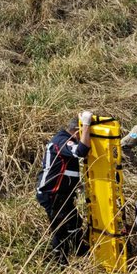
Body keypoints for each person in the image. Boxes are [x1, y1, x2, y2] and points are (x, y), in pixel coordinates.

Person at [36, 112, 93, 265]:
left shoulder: (64, 140)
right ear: (77, 130)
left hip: (63, 194)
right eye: (83, 133)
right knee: (60, 229)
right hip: (53, 194)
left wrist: (76, 184)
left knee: (74, 223)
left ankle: (80, 253)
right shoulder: (63, 141)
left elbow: (65, 169)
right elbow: (81, 151)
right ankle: (60, 263)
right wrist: (86, 124)